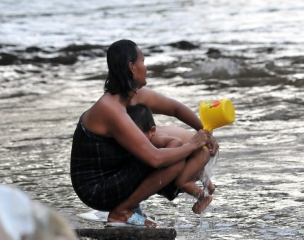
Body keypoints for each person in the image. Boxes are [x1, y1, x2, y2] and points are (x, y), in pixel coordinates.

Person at [70, 39, 219, 227]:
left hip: (115, 172)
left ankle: (131, 206)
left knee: (172, 141)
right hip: (97, 189)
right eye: (143, 62)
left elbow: (175, 108)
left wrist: (204, 133)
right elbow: (155, 159)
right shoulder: (110, 108)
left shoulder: (133, 95)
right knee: (176, 158)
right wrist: (193, 144)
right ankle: (122, 211)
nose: (145, 68)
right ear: (132, 67)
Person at [126, 103, 213, 214]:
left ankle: (204, 197)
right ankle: (209, 186)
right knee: (192, 167)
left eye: (139, 136)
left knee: (181, 182)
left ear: (152, 131)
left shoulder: (156, 139)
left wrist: (167, 160)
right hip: (196, 150)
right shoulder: (152, 133)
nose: (136, 141)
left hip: (199, 151)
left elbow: (177, 142)